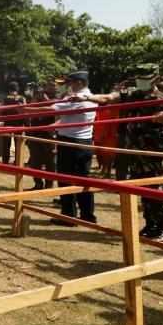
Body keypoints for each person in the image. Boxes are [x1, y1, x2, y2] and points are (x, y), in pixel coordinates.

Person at [81, 64, 163, 241]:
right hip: (134, 152)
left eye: (145, 78)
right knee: (142, 189)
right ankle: (150, 225)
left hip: (154, 154)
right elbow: (109, 98)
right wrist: (87, 97)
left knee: (155, 190)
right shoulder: (133, 96)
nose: (141, 81)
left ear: (156, 79)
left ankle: (161, 228)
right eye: (139, 77)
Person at [52, 71, 99, 223]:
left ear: (79, 82)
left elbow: (52, 109)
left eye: (71, 82)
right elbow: (66, 119)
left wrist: (26, 110)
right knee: (82, 179)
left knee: (66, 178)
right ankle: (86, 215)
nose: (68, 85)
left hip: (72, 143)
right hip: (81, 143)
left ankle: (68, 215)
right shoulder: (83, 97)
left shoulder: (79, 99)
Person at [25, 80, 57, 190]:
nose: (49, 86)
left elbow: (52, 108)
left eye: (52, 85)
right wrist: (37, 96)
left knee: (50, 161)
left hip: (48, 134)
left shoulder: (57, 98)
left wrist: (44, 98)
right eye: (48, 85)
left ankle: (49, 184)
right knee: (35, 160)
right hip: (35, 133)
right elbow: (30, 109)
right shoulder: (36, 97)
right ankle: (38, 183)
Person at [0, 82, 27, 164]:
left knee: (6, 144)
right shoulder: (22, 98)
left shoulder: (5, 98)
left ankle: (5, 161)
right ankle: (17, 161)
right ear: (17, 89)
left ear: (9, 89)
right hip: (19, 123)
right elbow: (25, 110)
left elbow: (1, 110)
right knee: (18, 143)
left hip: (8, 123)